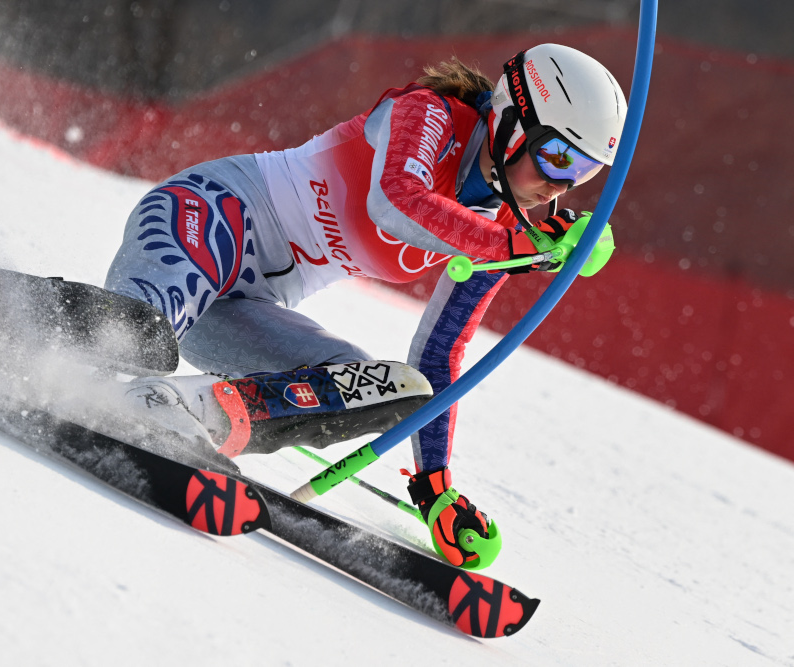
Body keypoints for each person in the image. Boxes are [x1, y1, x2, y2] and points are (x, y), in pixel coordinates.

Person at [103, 43, 627, 569]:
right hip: (206, 216)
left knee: (392, 389)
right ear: (513, 121)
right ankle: (94, 369)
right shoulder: (432, 114)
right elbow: (396, 198)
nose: (559, 184)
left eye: (582, 173)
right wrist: (514, 248)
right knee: (135, 337)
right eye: (557, 156)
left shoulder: (504, 231)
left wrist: (434, 487)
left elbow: (442, 351)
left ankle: (194, 413)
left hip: (244, 308)